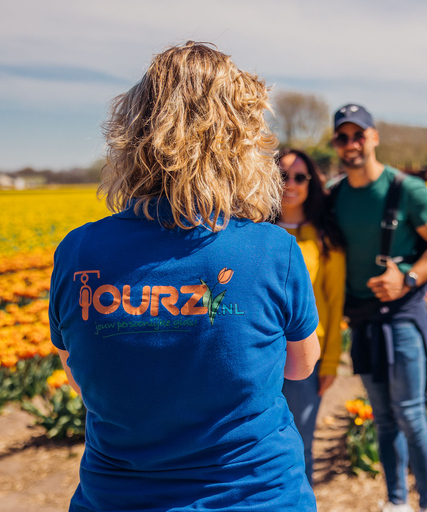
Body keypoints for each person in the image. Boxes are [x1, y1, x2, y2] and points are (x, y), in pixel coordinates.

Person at [48, 42, 321, 512]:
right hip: (256, 494)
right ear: (242, 140)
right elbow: (299, 366)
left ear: (132, 134)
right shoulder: (272, 249)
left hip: (119, 497)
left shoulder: (79, 251)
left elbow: (78, 370)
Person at [329, 104, 427, 512]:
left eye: (358, 135)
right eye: (342, 137)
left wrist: (408, 277)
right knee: (383, 418)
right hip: (362, 320)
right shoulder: (334, 196)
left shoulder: (405, 190)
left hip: (402, 316)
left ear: (374, 137)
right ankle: (397, 502)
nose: (351, 144)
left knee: (410, 413)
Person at [275, 148, 346, 486]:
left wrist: (330, 362)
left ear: (311, 184)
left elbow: (334, 305)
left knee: (300, 440)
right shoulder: (254, 231)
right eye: (282, 175)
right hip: (258, 355)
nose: (290, 183)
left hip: (306, 356)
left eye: (299, 177)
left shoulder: (325, 239)